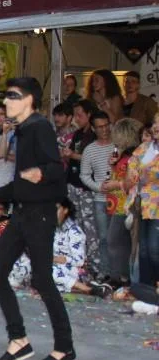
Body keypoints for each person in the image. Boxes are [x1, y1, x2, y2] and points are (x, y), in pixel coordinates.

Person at [0, 77, 76, 360]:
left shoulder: (39, 127)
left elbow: (55, 170)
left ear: (29, 100)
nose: (6, 101)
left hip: (40, 215)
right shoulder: (23, 130)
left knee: (42, 280)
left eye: (13, 96)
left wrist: (41, 174)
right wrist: (0, 193)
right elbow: (23, 181)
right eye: (6, 96)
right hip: (22, 213)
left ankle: (65, 347)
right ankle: (19, 340)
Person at [7, 199, 109, 297]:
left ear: (65, 210)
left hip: (70, 269)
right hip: (51, 266)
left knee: (46, 269)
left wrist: (57, 259)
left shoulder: (74, 232)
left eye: (55, 209)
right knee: (20, 263)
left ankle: (86, 288)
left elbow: (79, 261)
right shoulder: (48, 227)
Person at [63, 99, 100, 277]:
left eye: (80, 115)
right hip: (72, 183)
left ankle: (94, 267)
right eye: (75, 115)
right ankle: (78, 264)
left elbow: (92, 159)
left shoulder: (94, 135)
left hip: (87, 188)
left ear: (89, 115)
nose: (76, 119)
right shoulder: (77, 134)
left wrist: (73, 155)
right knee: (75, 225)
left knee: (90, 228)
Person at [104, 118, 143, 288]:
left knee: (114, 240)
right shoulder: (122, 154)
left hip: (124, 203)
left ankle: (119, 277)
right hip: (116, 202)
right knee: (121, 241)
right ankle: (120, 275)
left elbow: (132, 180)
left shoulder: (134, 157)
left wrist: (115, 184)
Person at [79, 110, 116, 279]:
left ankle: (118, 272)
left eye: (106, 125)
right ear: (93, 129)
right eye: (100, 127)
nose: (104, 129)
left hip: (120, 197)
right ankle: (105, 271)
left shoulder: (117, 145)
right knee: (103, 237)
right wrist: (98, 187)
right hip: (100, 199)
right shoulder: (90, 150)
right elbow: (84, 175)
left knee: (118, 238)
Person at [128, 119, 159, 293]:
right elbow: (131, 167)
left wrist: (144, 173)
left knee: (155, 248)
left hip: (157, 205)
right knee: (144, 249)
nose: (156, 126)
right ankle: (146, 290)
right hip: (142, 203)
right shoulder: (145, 147)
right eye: (154, 123)